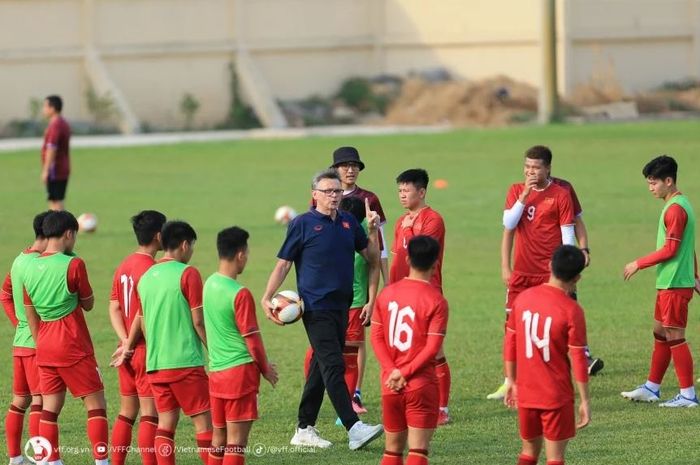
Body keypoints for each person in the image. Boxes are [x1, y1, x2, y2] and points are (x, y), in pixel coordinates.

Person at [261, 169, 383, 450]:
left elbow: (372, 259)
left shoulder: (349, 223)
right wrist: (266, 296)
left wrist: (373, 230)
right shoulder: (302, 224)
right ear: (314, 195)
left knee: (320, 366)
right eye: (328, 191)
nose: (334, 196)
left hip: (342, 306)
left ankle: (304, 428)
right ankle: (354, 428)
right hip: (316, 308)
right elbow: (283, 263)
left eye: (338, 191)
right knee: (333, 365)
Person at [489, 145, 577, 401]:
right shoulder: (516, 190)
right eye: (527, 167)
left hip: (549, 277)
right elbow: (508, 224)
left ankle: (552, 379)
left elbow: (567, 236)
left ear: (548, 168)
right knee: (511, 327)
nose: (530, 171)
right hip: (522, 275)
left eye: (536, 167)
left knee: (553, 329)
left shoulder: (561, 194)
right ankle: (510, 382)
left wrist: (567, 272)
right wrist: (525, 195)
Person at [22, 210, 109, 465]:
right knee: (96, 404)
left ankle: (52, 461)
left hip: (45, 346)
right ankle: (101, 461)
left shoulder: (30, 267)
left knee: (50, 408)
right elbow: (89, 303)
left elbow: (31, 314)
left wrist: (42, 344)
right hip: (73, 345)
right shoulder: (74, 264)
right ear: (69, 234)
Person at [621, 155, 700, 407]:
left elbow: (671, 250)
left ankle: (688, 395)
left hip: (675, 283)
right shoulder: (678, 203)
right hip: (669, 282)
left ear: (669, 180)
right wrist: (696, 275)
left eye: (654, 183)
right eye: (648, 183)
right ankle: (651, 388)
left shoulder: (676, 209)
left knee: (675, 335)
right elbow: (690, 247)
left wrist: (638, 263)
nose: (650, 188)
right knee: (660, 332)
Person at [504, 245, 591, 465]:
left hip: (526, 393)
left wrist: (511, 381)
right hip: (556, 395)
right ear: (577, 278)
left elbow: (510, 343)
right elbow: (579, 359)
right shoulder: (572, 310)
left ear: (549, 265)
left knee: (528, 453)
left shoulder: (522, 299)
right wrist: (584, 400)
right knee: (555, 458)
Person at [136, 221, 212, 464]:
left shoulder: (146, 277)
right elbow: (198, 321)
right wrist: (216, 351)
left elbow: (144, 322)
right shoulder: (188, 273)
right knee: (204, 423)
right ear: (185, 244)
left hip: (156, 364)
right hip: (185, 362)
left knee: (166, 424)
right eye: (192, 247)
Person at [203, 226, 279, 465]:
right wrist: (265, 368)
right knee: (236, 443)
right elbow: (252, 340)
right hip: (240, 373)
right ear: (240, 255)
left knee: (219, 439)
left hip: (216, 373)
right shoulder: (240, 293)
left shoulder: (210, 283)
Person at [371, 235, 448, 465]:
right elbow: (433, 347)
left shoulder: (387, 294)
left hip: (389, 384)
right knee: (418, 451)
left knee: (392, 451)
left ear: (408, 258)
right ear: (436, 263)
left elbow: (376, 337)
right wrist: (405, 373)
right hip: (420, 383)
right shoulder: (436, 300)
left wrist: (391, 370)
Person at [388, 168, 450, 426]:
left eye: (407, 190)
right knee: (404, 352)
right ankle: (410, 400)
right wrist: (390, 289)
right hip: (401, 294)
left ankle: (442, 408)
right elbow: (397, 259)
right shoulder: (400, 222)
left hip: (426, 293)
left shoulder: (432, 219)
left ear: (422, 192)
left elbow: (422, 252)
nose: (402, 195)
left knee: (434, 352)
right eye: (400, 190)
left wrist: (411, 230)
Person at [331, 146, 389, 412]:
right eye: (345, 165)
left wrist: (388, 288)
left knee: (356, 340)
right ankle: (338, 391)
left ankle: (355, 392)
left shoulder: (370, 198)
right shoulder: (326, 195)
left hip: (358, 277)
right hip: (332, 284)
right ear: (335, 169)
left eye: (354, 165)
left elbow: (380, 248)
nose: (350, 169)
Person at [108, 210, 167, 465]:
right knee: (149, 414)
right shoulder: (151, 270)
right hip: (143, 350)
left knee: (126, 412)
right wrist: (131, 345)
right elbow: (143, 316)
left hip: (126, 352)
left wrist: (123, 344)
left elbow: (114, 306)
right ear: (158, 236)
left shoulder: (124, 264)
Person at [0, 211, 50, 465]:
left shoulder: (20, 259)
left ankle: (15, 458)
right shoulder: (39, 265)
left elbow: (4, 294)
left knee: (20, 401)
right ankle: (40, 458)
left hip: (20, 343)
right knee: (40, 402)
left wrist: (18, 323)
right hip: (36, 345)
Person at [41, 95, 71, 211]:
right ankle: (56, 228)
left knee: (56, 202)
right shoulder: (63, 123)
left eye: (45, 106)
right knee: (55, 200)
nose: (43, 109)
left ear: (52, 108)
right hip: (62, 167)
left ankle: (61, 228)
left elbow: (52, 148)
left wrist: (46, 170)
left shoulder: (56, 125)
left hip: (55, 169)